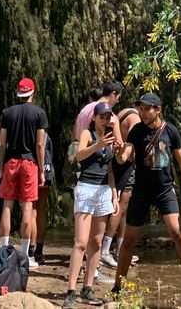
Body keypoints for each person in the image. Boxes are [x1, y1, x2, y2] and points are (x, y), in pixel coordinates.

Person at [112, 92, 181, 301]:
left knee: (177, 232)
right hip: (141, 190)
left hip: (164, 189)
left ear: (158, 110)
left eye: (147, 109)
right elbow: (125, 156)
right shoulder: (136, 131)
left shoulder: (170, 131)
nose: (143, 112)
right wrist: (120, 153)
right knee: (128, 241)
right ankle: (118, 286)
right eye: (141, 108)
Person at [64, 102, 120, 308]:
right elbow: (79, 156)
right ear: (94, 118)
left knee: (96, 243)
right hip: (86, 188)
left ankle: (87, 288)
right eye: (102, 116)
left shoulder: (111, 138)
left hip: (104, 190)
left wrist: (114, 194)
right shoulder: (88, 134)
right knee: (80, 242)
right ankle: (70, 290)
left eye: (108, 117)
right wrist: (99, 145)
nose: (105, 120)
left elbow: (111, 169)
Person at [0, 76, 48, 268]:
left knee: (7, 206)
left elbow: (3, 143)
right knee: (27, 207)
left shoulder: (7, 113)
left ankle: (3, 250)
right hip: (29, 163)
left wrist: (2, 165)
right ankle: (25, 255)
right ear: (32, 92)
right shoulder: (39, 114)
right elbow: (40, 144)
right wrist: (42, 170)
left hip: (11, 162)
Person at [103, 103, 141, 266]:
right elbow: (128, 145)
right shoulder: (135, 119)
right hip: (124, 163)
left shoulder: (124, 112)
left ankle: (121, 250)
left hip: (119, 160)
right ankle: (105, 250)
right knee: (120, 206)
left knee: (124, 209)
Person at [31, 130, 54, 265]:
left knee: (31, 210)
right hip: (45, 170)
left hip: (30, 170)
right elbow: (50, 155)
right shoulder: (46, 135)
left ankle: (31, 249)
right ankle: (39, 250)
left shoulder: (26, 133)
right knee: (41, 210)